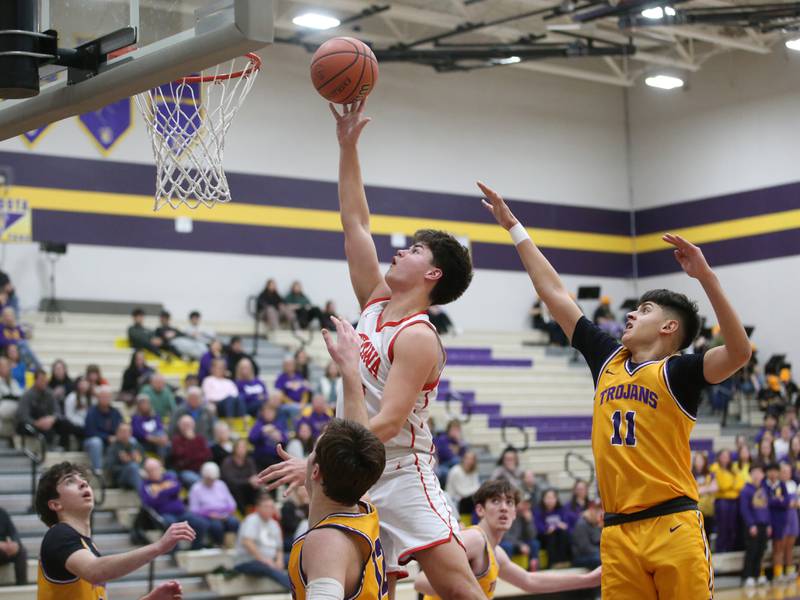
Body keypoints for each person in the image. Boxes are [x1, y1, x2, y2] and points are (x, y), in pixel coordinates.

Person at [479, 181, 752, 598]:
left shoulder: (679, 371)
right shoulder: (607, 357)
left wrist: (705, 277)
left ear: (668, 327)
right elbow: (553, 293)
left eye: (643, 310)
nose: (629, 313)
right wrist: (514, 227)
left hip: (673, 523)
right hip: (618, 531)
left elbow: (739, 351)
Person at [264, 99, 478, 600]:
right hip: (352, 464)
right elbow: (355, 223)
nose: (401, 250)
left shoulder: (420, 336)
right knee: (344, 581)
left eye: (415, 250)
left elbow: (386, 423)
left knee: (458, 588)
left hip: (399, 470)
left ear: (432, 275)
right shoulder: (377, 303)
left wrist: (316, 456)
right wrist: (347, 146)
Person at [415, 479, 601, 600]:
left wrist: (588, 579)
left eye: (509, 502)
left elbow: (530, 582)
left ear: (515, 512)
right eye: (496, 501)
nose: (504, 508)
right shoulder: (474, 539)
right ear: (480, 510)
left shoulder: (497, 553)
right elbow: (421, 581)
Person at [36, 461, 195, 599]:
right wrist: (159, 547)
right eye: (70, 481)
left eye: (83, 480)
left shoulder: (88, 547)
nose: (83, 483)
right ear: (55, 504)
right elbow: (95, 572)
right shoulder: (58, 535)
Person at [287, 418, 387, 599]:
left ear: (316, 472)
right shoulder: (365, 508)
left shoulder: (327, 542)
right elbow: (360, 452)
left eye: (311, 453)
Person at [139, 458, 207, 550]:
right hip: (164, 514)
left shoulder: (168, 477)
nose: (154, 472)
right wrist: (167, 489)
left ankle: (195, 549)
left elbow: (177, 488)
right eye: (151, 470)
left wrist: (159, 492)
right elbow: (150, 502)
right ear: (146, 472)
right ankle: (175, 553)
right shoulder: (145, 485)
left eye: (156, 468)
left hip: (181, 512)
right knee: (172, 527)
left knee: (201, 523)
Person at [234, 493, 291, 589]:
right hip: (248, 561)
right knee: (269, 569)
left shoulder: (274, 524)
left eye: (271, 507)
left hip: (270, 559)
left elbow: (279, 548)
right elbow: (247, 542)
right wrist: (264, 560)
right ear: (258, 508)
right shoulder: (251, 520)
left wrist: (279, 560)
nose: (269, 509)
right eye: (266, 506)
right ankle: (295, 591)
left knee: (295, 558)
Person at [16, 369, 82, 450]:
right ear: (35, 380)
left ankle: (64, 447)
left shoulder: (49, 393)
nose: (44, 382)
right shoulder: (27, 395)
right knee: (32, 428)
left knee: (65, 423)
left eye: (45, 380)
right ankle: (48, 449)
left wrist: (52, 419)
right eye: (42, 380)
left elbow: (57, 411)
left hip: (48, 422)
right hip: (33, 424)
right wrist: (36, 423)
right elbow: (22, 415)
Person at [188, 462, 239, 547]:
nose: (211, 481)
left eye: (213, 479)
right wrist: (209, 514)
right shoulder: (196, 488)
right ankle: (219, 545)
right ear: (203, 476)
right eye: (209, 479)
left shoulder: (221, 484)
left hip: (224, 514)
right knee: (216, 526)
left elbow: (232, 503)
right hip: (208, 516)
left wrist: (226, 513)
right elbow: (194, 509)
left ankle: (230, 545)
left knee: (233, 522)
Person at [739, 463, 770, 587]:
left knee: (761, 551)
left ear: (763, 474)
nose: (757, 475)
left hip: (764, 525)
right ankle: (747, 576)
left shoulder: (764, 489)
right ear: (750, 474)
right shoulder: (746, 490)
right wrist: (751, 524)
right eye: (754, 472)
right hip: (753, 526)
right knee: (752, 551)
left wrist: (769, 524)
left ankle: (757, 575)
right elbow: (744, 509)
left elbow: (767, 508)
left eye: (760, 472)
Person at [83, 386, 123, 475]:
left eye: (107, 397)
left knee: (131, 440)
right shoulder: (91, 412)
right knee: (96, 442)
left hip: (113, 440)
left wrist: (118, 436)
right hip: (92, 441)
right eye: (103, 397)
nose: (105, 399)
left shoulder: (116, 412)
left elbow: (121, 427)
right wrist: (107, 437)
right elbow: (90, 431)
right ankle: (98, 470)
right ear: (98, 398)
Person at [709, 448, 743, 553]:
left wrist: (729, 484)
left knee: (732, 526)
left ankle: (729, 549)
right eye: (723, 455)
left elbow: (740, 484)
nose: (725, 458)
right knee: (722, 527)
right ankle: (720, 550)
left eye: (727, 456)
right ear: (719, 457)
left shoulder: (733, 469)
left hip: (733, 501)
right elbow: (721, 485)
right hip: (721, 501)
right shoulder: (715, 468)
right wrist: (731, 484)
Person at [170, 414, 212, 489]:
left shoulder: (200, 439)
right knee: (198, 482)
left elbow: (207, 455)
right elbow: (181, 457)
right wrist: (191, 441)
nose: (187, 427)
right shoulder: (176, 440)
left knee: (213, 476)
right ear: (179, 426)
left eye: (189, 424)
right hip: (186, 471)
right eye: (184, 424)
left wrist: (193, 457)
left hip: (202, 469)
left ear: (193, 425)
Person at [765, 462, 790, 581]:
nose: (773, 473)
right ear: (767, 472)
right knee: (765, 548)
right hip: (767, 520)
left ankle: (778, 573)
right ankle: (761, 574)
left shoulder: (782, 485)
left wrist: (775, 501)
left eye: (775, 471)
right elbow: (765, 502)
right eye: (771, 471)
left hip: (780, 520)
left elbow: (786, 502)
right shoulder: (764, 485)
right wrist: (777, 501)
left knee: (779, 547)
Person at [221, 438, 260, 514]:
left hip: (247, 487)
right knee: (236, 489)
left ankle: (256, 512)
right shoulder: (227, 462)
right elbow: (231, 481)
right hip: (232, 488)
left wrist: (255, 481)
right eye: (240, 447)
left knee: (257, 488)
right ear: (234, 448)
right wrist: (248, 481)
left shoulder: (249, 461)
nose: (242, 450)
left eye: (244, 447)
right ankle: (243, 514)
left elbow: (254, 474)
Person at [534, 489, 571, 568]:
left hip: (558, 534)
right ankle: (553, 563)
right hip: (544, 536)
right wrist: (548, 528)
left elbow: (565, 525)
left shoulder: (561, 510)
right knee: (552, 536)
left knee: (563, 534)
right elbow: (539, 527)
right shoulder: (539, 511)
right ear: (543, 499)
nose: (550, 500)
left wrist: (556, 527)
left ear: (556, 499)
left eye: (552, 498)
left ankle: (563, 561)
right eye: (548, 498)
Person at [104, 422, 144, 491]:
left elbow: (143, 462)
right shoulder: (113, 448)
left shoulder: (136, 446)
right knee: (133, 467)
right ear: (117, 433)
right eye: (121, 431)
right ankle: (145, 496)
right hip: (120, 478)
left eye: (126, 431)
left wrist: (136, 460)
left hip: (138, 474)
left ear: (130, 434)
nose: (124, 434)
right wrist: (126, 464)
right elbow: (110, 468)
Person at [249, 402, 288, 471]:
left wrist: (280, 438)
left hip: (276, 458)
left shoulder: (278, 424)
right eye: (267, 412)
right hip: (261, 458)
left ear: (275, 413)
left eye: (271, 412)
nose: (269, 414)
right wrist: (262, 432)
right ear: (262, 413)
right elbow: (251, 439)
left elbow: (286, 439)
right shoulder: (259, 424)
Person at [131, 394, 169, 460]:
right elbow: (140, 434)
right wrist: (157, 439)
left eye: (147, 403)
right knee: (161, 439)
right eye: (142, 403)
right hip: (143, 443)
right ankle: (161, 462)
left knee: (168, 444)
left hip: (157, 442)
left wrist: (163, 437)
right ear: (138, 406)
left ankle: (164, 462)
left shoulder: (155, 415)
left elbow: (160, 428)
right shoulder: (135, 418)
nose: (145, 405)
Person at [779, 461, 798, 581]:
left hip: (793, 518)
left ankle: (789, 571)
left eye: (788, 472)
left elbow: (796, 503)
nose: (786, 474)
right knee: (781, 546)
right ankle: (779, 572)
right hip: (783, 517)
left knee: (790, 547)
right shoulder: (779, 486)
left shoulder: (793, 484)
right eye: (784, 471)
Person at [446, 450, 480, 516]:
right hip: (455, 501)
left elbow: (477, 486)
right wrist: (474, 490)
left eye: (471, 459)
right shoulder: (455, 471)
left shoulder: (474, 471)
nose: (469, 461)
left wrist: (474, 490)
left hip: (467, 499)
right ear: (463, 459)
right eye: (467, 458)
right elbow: (462, 492)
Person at [571, 501, 603, 570]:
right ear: (591, 511)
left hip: (593, 554)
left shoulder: (595, 523)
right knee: (601, 558)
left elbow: (598, 540)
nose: (600, 514)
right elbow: (584, 547)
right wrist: (602, 552)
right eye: (598, 512)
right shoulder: (581, 524)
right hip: (581, 557)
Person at [434, 420, 467, 484]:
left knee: (460, 466)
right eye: (453, 429)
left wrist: (458, 442)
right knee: (448, 471)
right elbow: (444, 455)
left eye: (457, 430)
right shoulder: (442, 439)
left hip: (456, 465)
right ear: (449, 429)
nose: (455, 432)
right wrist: (455, 450)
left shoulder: (459, 442)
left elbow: (464, 456)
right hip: (443, 464)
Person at [0, 506, 26, 585]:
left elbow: (13, 532)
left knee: (21, 551)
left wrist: (15, 543)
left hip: (4, 551)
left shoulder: (2, 513)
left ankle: (22, 586)